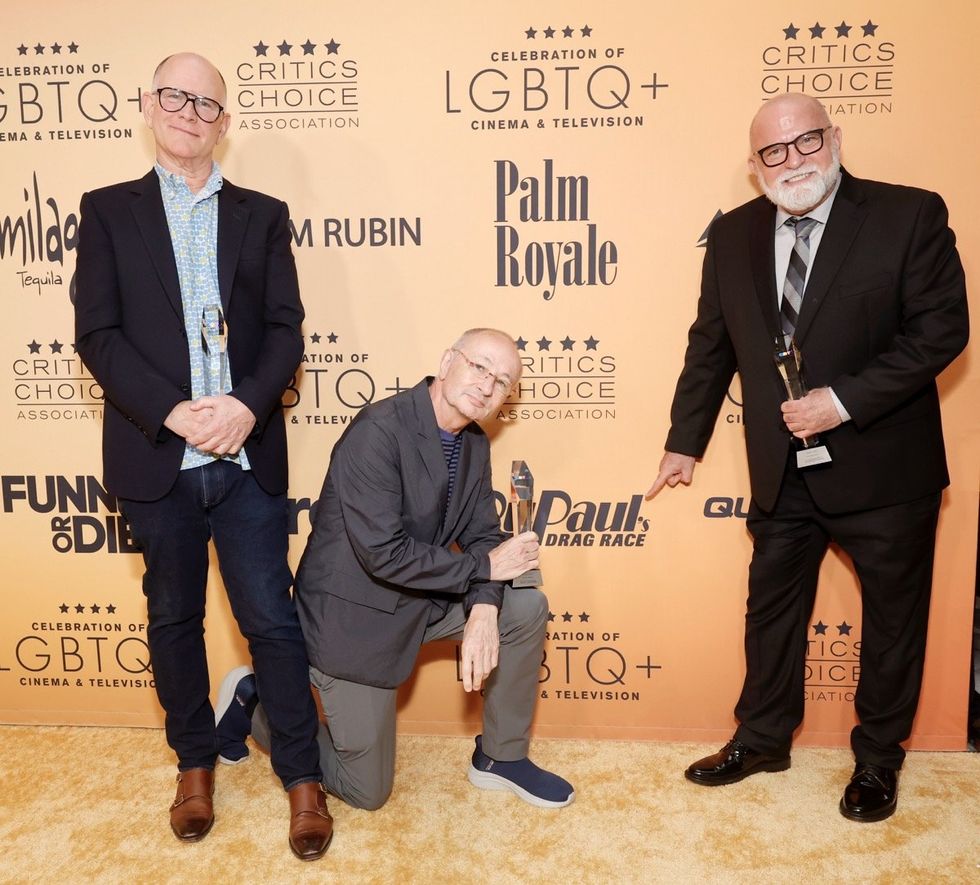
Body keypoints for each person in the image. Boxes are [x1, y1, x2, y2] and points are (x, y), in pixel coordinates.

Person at [648, 92, 968, 821]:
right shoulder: (732, 235)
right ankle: (762, 737)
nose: (793, 159)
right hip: (782, 466)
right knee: (771, 609)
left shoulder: (908, 214)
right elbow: (712, 344)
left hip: (884, 467)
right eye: (773, 150)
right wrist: (683, 438)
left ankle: (879, 761)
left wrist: (842, 400)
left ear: (834, 137)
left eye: (806, 141)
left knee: (892, 623)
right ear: (755, 163)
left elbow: (941, 330)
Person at [74, 52, 332, 860]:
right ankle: (193, 765)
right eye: (175, 96)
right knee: (172, 619)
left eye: (207, 102)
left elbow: (287, 327)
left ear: (225, 122)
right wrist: (176, 411)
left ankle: (302, 777)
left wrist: (246, 406)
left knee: (273, 622)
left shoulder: (263, 213)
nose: (190, 111)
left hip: (247, 458)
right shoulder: (108, 211)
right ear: (149, 106)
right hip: (159, 457)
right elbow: (98, 336)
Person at [219, 328, 574, 811]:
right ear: (448, 360)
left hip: (421, 599)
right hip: (354, 618)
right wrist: (485, 568)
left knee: (525, 604)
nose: (488, 386)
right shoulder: (379, 430)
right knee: (367, 790)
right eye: (480, 367)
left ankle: (500, 758)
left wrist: (486, 610)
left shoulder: (473, 442)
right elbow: (384, 553)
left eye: (503, 382)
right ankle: (255, 703)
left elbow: (483, 535)